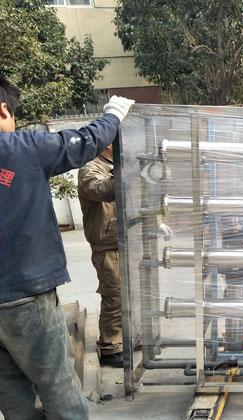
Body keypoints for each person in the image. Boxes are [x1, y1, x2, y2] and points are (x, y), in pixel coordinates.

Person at [0, 73, 134, 419]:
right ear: (3, 110)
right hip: (24, 293)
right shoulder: (20, 148)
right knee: (58, 386)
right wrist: (113, 115)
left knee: (12, 395)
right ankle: (110, 346)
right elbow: (84, 141)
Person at [78, 144, 123, 368]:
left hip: (129, 240)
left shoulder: (120, 165)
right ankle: (110, 346)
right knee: (114, 294)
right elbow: (101, 190)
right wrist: (124, 172)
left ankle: (129, 335)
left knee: (134, 294)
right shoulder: (90, 168)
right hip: (107, 244)